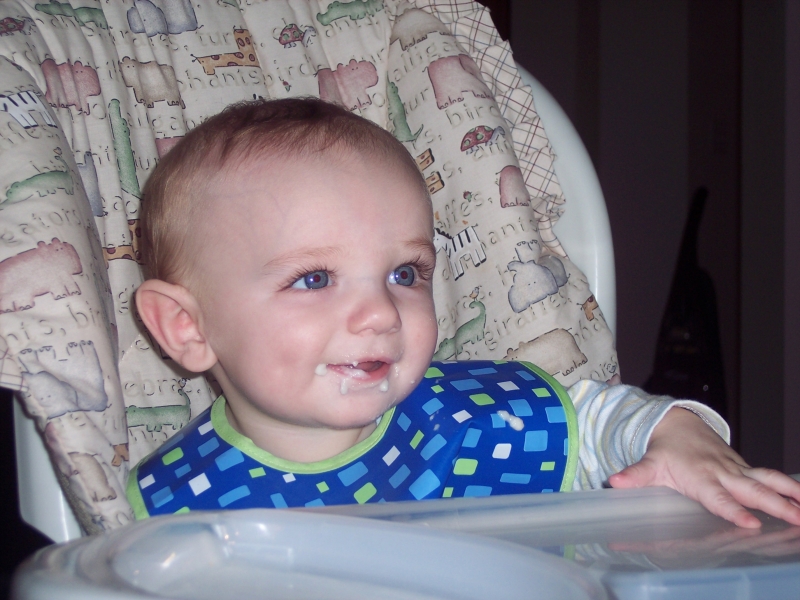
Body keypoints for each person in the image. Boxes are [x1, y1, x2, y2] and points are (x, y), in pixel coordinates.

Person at [127, 98, 800, 528]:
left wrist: (678, 435)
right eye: (314, 278)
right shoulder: (173, 512)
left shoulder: (478, 425)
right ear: (188, 327)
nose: (380, 313)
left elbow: (598, 420)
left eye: (405, 274)